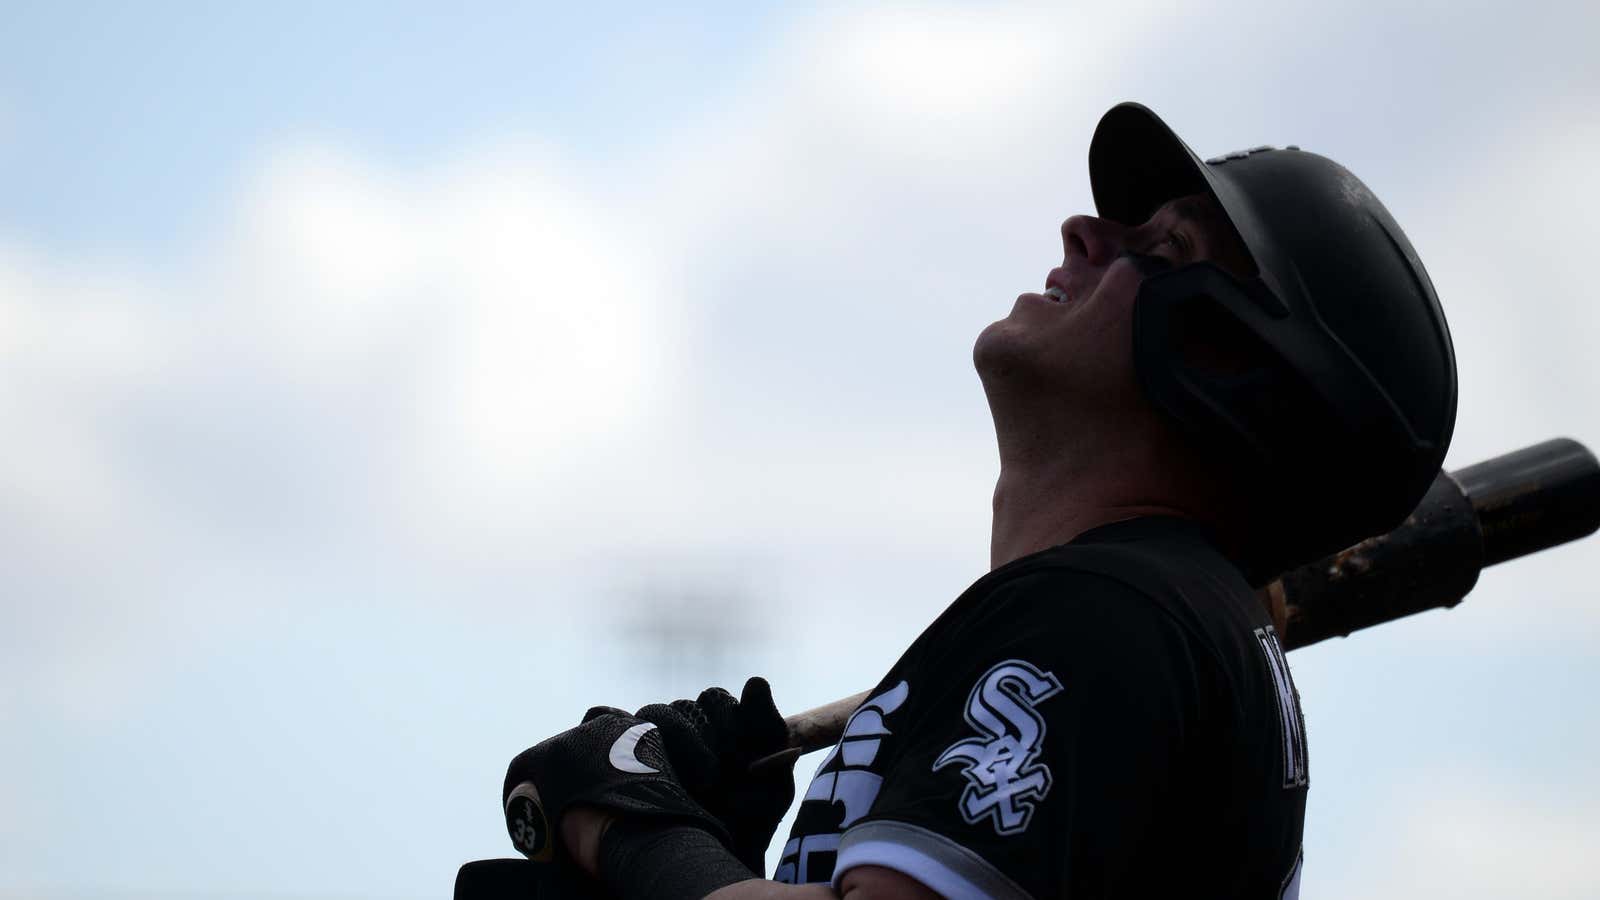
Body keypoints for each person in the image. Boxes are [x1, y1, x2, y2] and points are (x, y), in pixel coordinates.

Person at [498, 101, 1458, 899]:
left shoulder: (1108, 613)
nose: (1083, 231)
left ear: (1231, 366)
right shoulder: (1162, 627)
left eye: (1161, 248)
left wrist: (636, 834)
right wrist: (726, 863)